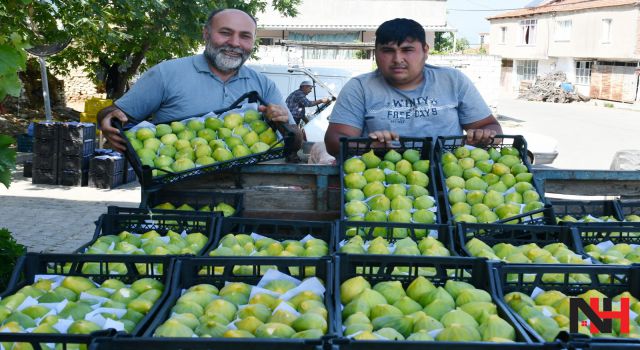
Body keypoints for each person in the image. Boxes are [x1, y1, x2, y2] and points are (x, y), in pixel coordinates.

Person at [98, 8, 299, 154]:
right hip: (176, 198)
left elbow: (296, 141)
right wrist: (107, 121)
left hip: (246, 196)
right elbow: (112, 114)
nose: (235, 43)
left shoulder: (263, 85)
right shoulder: (166, 74)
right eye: (225, 33)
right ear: (206, 34)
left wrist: (286, 125)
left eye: (245, 36)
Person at [324, 18, 502, 157]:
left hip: (450, 177)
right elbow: (334, 141)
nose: (397, 59)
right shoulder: (359, 88)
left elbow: (491, 127)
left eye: (407, 50)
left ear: (425, 50)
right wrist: (369, 147)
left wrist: (483, 136)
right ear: (376, 53)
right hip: (381, 182)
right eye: (387, 50)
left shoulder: (452, 80)